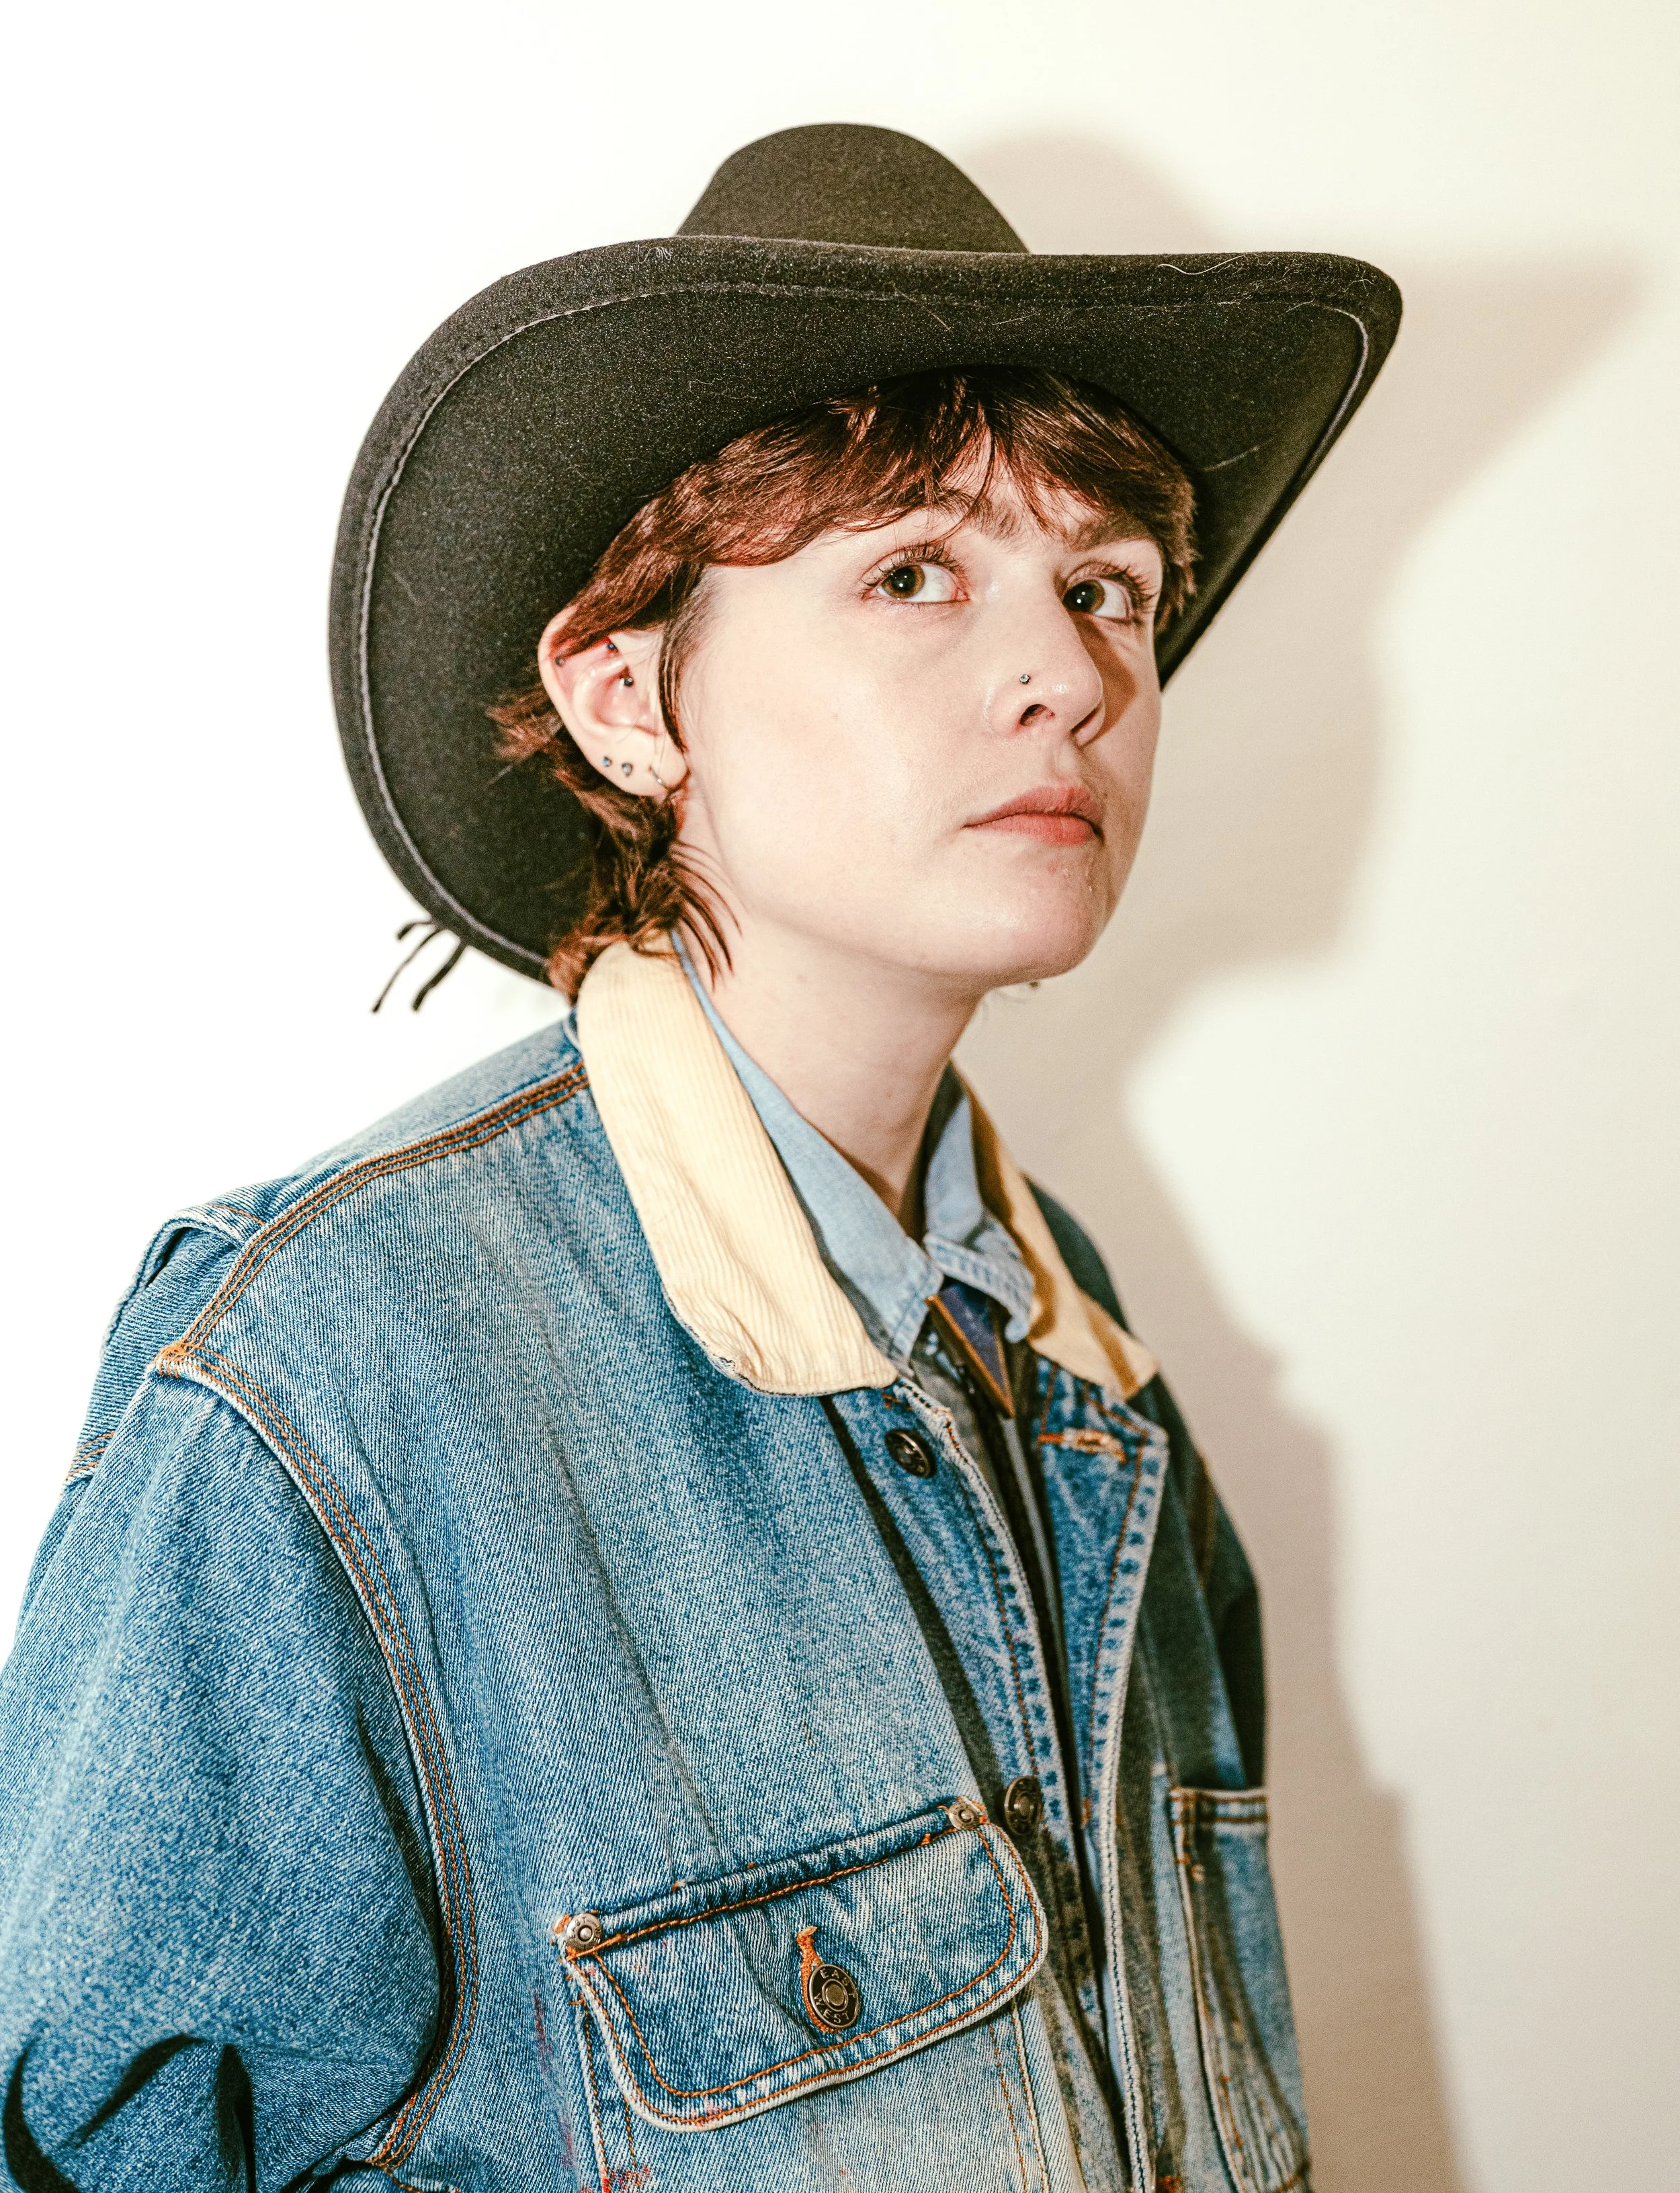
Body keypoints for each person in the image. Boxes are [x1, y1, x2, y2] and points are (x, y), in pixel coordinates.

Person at [0, 125, 1400, 2190]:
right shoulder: (331, 1375)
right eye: (911, 574)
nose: (1068, 675)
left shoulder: (1095, 1386)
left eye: (1102, 585)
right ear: (627, 696)